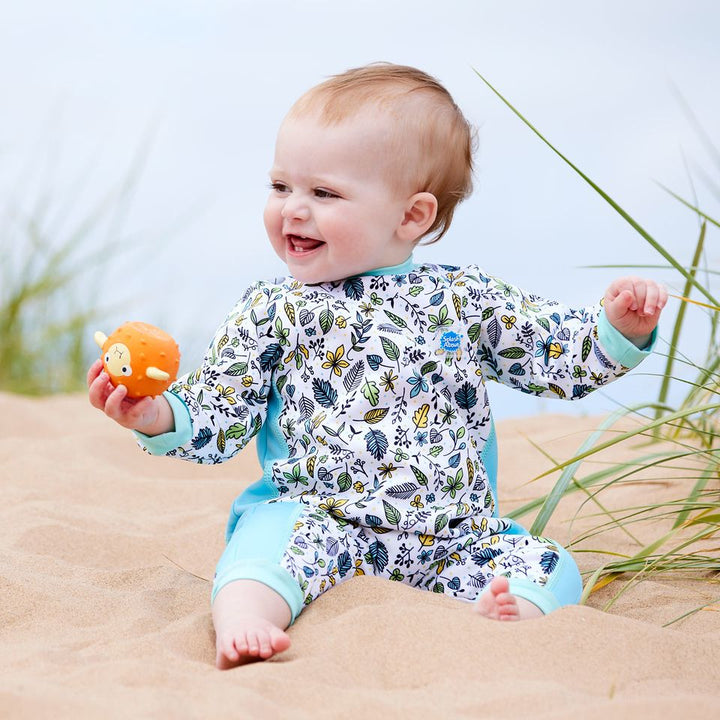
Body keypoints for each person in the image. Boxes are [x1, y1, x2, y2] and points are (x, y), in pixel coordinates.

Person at [87, 63, 667, 669]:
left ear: (412, 216)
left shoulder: (460, 300)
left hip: (451, 535)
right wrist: (155, 414)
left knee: (550, 565)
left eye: (324, 193)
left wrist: (618, 329)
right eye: (281, 186)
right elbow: (218, 411)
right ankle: (244, 620)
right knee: (260, 550)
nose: (293, 210)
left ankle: (508, 612)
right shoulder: (272, 310)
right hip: (320, 520)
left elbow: (552, 356)